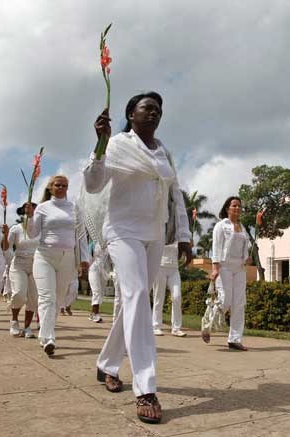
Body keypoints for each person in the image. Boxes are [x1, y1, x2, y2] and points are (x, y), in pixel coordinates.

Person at [83, 91, 191, 424]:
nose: (154, 113)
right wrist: (100, 146)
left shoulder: (164, 152)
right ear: (131, 114)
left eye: (158, 109)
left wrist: (184, 236)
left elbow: (175, 194)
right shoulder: (117, 144)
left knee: (137, 300)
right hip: (122, 230)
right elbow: (93, 184)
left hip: (155, 233)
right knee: (136, 294)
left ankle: (107, 364)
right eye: (147, 108)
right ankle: (145, 388)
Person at [26, 175, 89, 356]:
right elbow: (32, 234)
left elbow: (81, 235)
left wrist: (84, 258)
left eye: (64, 185)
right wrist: (29, 218)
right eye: (58, 185)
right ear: (50, 188)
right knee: (47, 297)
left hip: (67, 258)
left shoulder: (74, 208)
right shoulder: (43, 208)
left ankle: (45, 332)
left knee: (58, 299)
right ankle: (48, 337)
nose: (61, 188)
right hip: (44, 256)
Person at [205, 196, 251, 351]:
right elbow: (216, 248)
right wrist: (215, 268)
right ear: (227, 208)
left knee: (239, 303)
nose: (237, 208)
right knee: (225, 300)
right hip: (224, 267)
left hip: (240, 268)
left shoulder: (243, 228)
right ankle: (207, 325)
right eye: (234, 205)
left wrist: (247, 258)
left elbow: (246, 247)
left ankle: (234, 339)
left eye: (239, 206)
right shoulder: (221, 226)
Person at [8, 203, 40, 338]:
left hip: (36, 265)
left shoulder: (41, 230)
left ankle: (27, 327)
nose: (30, 208)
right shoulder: (15, 229)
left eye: (33, 206)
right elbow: (7, 247)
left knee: (33, 298)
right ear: (22, 211)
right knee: (19, 294)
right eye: (26, 206)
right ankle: (14, 321)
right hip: (19, 264)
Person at [152, 242, 186, 337]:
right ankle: (156, 326)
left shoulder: (178, 235)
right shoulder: (159, 233)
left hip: (174, 268)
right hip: (160, 267)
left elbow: (187, 246)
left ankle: (176, 328)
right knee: (159, 297)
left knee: (177, 297)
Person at [87, 242, 105, 323]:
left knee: (101, 293)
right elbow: (88, 257)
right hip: (93, 268)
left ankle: (92, 313)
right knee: (96, 291)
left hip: (104, 270)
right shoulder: (93, 244)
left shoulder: (110, 243)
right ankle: (95, 313)